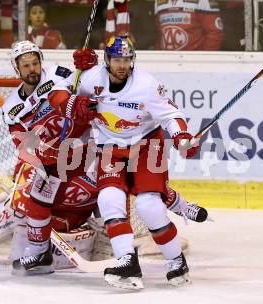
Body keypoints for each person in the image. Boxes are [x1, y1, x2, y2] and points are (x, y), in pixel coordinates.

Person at [0, 40, 208, 276]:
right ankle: (47, 252)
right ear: (17, 69)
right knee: (54, 199)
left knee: (147, 202)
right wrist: (40, 151)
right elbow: (22, 142)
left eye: (35, 63)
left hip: (105, 147)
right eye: (26, 65)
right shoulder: (13, 106)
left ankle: (180, 221)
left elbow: (63, 91)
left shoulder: (56, 73)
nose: (32, 69)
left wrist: (181, 136)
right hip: (77, 153)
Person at [49, 36, 200, 289]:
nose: (122, 65)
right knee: (109, 199)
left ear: (133, 60)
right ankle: (127, 262)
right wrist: (72, 100)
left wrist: (181, 136)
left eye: (127, 60)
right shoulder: (91, 77)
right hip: (110, 148)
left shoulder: (147, 85)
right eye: (117, 60)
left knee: (148, 205)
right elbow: (57, 91)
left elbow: (172, 115)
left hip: (145, 146)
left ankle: (176, 261)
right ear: (107, 60)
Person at [154, 0, 224, 51]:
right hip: (167, 61)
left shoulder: (204, 1)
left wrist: (202, 59)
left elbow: (215, 32)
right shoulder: (158, 2)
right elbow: (158, 34)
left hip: (194, 62)